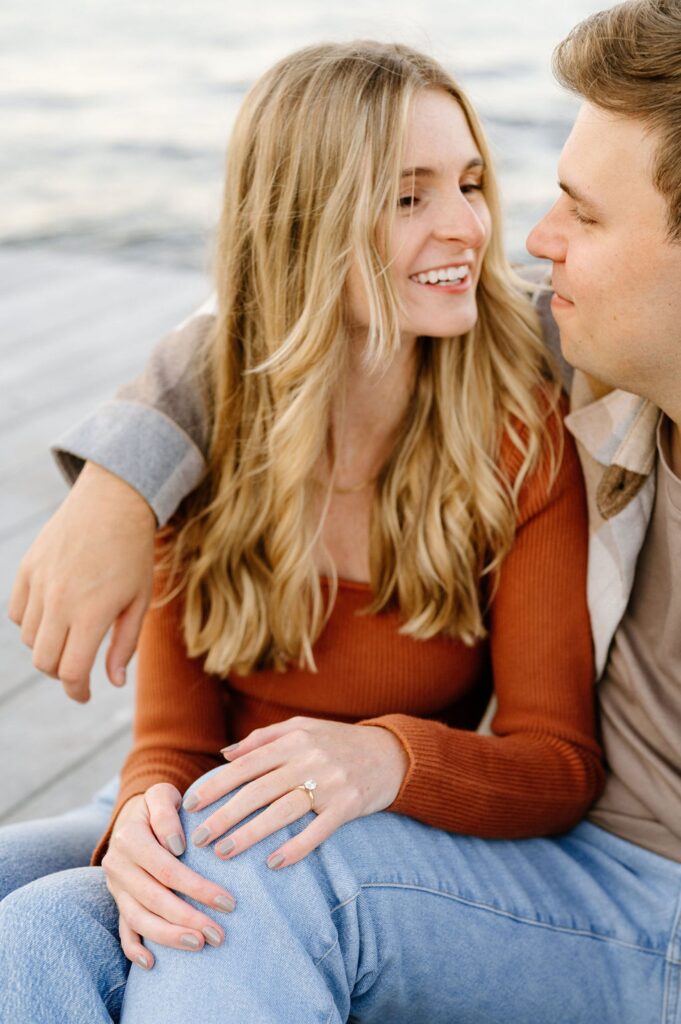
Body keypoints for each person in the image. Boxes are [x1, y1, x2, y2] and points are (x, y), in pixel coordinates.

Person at [11, 0, 681, 1014]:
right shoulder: (204, 429)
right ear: (307, 225)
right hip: (227, 804)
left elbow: (554, 760)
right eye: (409, 196)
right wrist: (118, 482)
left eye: (468, 184)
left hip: (383, 836)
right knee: (36, 920)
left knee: (241, 872)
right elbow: (172, 737)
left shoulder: (526, 420)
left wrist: (383, 756)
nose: (488, 229)